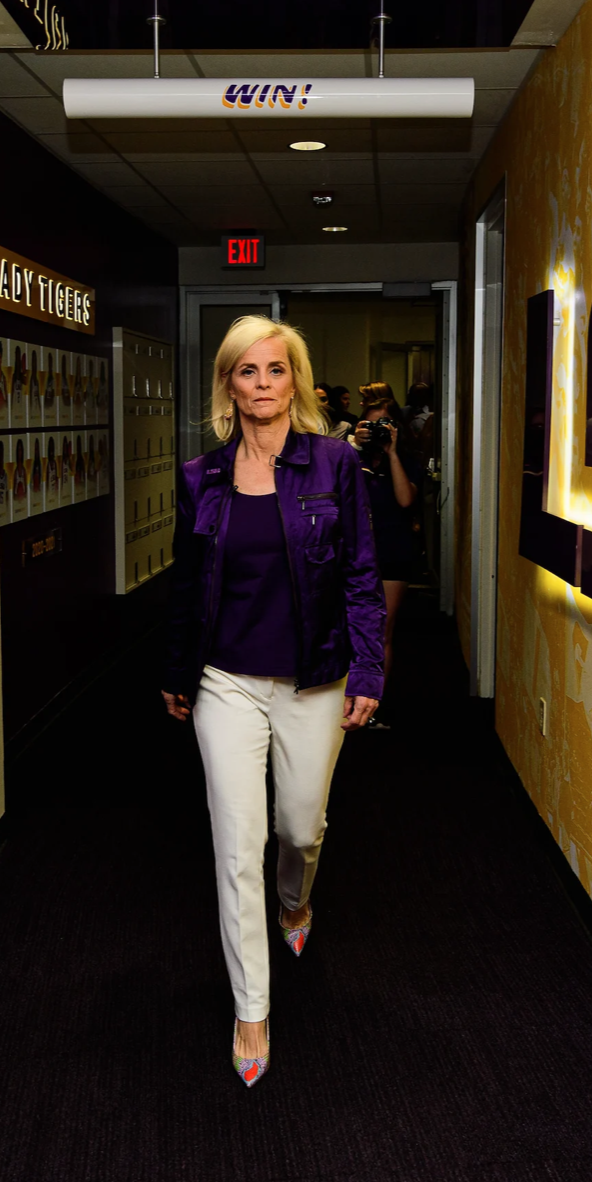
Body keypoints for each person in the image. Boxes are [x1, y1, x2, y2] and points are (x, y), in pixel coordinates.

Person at [162, 316, 386, 1087]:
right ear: (228, 384)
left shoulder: (335, 466)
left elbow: (360, 571)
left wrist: (369, 670)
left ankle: (298, 902)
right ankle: (251, 1007)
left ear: (297, 380)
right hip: (225, 681)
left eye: (276, 370)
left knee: (299, 823)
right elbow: (186, 584)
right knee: (236, 844)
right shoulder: (200, 478)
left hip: (314, 680)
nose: (262, 384)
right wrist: (177, 670)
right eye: (247, 371)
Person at [354, 383, 424, 712]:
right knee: (351, 626)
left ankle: (373, 702)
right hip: (355, 551)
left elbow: (405, 499)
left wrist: (392, 453)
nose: (379, 430)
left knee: (382, 630)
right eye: (371, 424)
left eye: (385, 423)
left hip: (395, 549)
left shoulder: (408, 459)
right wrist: (354, 445)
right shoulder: (349, 458)